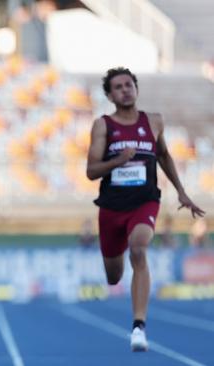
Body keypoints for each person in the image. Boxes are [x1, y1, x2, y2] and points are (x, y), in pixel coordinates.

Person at [86, 67, 205, 352]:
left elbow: (163, 154)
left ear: (136, 89)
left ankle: (138, 327)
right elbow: (91, 171)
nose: (125, 90)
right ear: (110, 95)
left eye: (129, 84)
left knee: (139, 249)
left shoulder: (153, 122)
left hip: (145, 200)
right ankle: (120, 273)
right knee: (113, 275)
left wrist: (181, 191)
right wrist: (118, 161)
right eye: (118, 87)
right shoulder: (103, 125)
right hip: (112, 206)